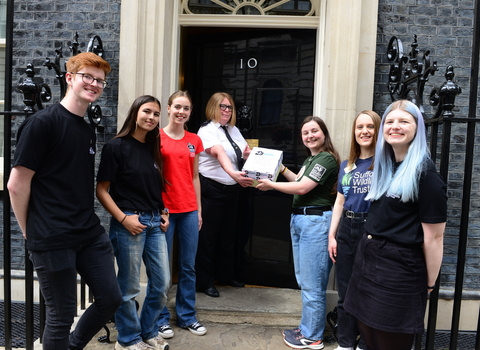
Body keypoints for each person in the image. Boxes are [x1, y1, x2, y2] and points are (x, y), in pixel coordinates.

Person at [7, 52, 122, 350]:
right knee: (60, 316)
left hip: (88, 232)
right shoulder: (42, 123)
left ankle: (72, 347)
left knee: (110, 298)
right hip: (53, 235)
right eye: (88, 77)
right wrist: (28, 230)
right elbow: (16, 185)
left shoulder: (86, 129)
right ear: (69, 78)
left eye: (100, 81)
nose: (95, 84)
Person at [343, 100, 447, 350]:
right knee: (367, 336)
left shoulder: (426, 176)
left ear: (417, 128)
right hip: (367, 262)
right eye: (390, 121)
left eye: (403, 121)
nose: (395, 126)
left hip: (398, 271)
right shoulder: (385, 168)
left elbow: (434, 238)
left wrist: (430, 283)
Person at [256, 116, 340, 350]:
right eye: (305, 133)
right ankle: (306, 328)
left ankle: (313, 337)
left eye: (314, 131)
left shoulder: (326, 159)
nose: (310, 136)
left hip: (315, 222)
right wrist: (281, 168)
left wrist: (270, 184)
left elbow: (303, 187)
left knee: (313, 283)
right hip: (303, 220)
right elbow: (299, 180)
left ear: (324, 133)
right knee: (306, 279)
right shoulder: (312, 159)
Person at [96, 95, 170, 350]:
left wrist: (164, 210)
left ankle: (148, 331)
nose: (151, 117)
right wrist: (123, 219)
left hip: (154, 221)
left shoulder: (153, 147)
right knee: (128, 287)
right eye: (147, 111)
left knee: (161, 284)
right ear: (135, 113)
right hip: (129, 222)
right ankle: (128, 340)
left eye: (156, 114)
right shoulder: (116, 146)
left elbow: (152, 187)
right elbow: (102, 190)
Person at [327, 111, 381, 350]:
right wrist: (332, 235)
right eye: (360, 127)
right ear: (354, 132)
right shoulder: (346, 166)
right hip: (346, 228)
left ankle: (366, 344)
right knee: (346, 291)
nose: (364, 131)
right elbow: (339, 201)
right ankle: (346, 343)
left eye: (370, 126)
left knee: (370, 290)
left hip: (371, 228)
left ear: (377, 130)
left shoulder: (384, 164)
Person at [156, 91, 207, 338]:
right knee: (162, 268)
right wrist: (158, 208)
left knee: (188, 266)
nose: (181, 112)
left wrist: (198, 209)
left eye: (186, 108)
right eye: (177, 107)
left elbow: (195, 176)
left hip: (188, 210)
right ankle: (160, 318)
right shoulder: (156, 138)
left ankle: (187, 316)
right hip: (165, 211)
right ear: (168, 108)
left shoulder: (194, 140)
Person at [195, 92, 254, 298]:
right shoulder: (207, 130)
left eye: (229, 107)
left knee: (229, 236)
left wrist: (253, 158)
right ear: (213, 107)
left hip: (232, 191)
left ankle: (226, 275)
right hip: (212, 190)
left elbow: (246, 151)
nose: (227, 111)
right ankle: (204, 281)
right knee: (208, 238)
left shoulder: (233, 129)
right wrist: (233, 174)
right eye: (223, 106)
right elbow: (219, 152)